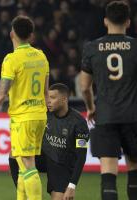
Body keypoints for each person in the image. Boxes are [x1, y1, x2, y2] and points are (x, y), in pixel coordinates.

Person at [0, 15, 49, 200]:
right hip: (40, 115)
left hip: (23, 117)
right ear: (31, 35)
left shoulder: (11, 59)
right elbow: (46, 92)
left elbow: (0, 95)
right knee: (20, 162)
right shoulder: (41, 56)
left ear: (12, 34)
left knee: (28, 165)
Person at [80, 1, 137, 200]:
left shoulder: (92, 48)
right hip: (133, 116)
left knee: (108, 172)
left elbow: (85, 87)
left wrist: (90, 107)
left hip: (105, 115)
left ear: (105, 21)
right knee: (134, 170)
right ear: (128, 22)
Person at [33, 83, 88, 200]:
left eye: (52, 98)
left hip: (62, 164)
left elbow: (81, 156)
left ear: (64, 99)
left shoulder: (79, 123)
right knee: (15, 154)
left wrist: (72, 186)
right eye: (47, 97)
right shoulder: (43, 114)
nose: (48, 101)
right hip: (43, 157)